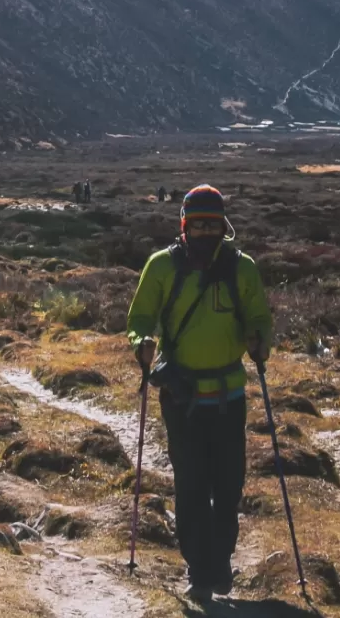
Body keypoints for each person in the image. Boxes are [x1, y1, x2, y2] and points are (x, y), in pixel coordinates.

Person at [127, 184, 273, 601]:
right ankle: (198, 568)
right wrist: (142, 341)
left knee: (228, 485)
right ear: (184, 226)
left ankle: (220, 562)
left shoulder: (241, 268)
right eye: (198, 225)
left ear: (224, 226)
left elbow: (260, 315)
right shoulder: (161, 267)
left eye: (213, 225)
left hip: (229, 397)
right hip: (182, 396)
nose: (205, 233)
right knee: (190, 484)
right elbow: (140, 316)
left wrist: (260, 339)